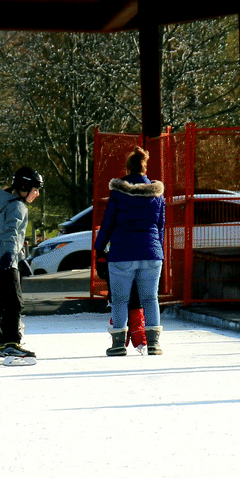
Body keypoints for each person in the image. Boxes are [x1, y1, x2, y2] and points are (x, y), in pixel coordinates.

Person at [94, 145, 166, 357]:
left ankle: (117, 345)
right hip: (151, 252)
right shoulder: (157, 195)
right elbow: (160, 226)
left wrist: (99, 249)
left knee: (120, 299)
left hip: (122, 253)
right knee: (150, 298)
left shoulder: (118, 194)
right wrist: (156, 249)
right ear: (145, 168)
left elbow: (107, 224)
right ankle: (153, 344)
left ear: (127, 168)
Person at [0, 166, 43, 366]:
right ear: (23, 187)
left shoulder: (4, 204)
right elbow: (12, 232)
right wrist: (10, 253)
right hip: (4, 260)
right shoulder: (18, 206)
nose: (37, 194)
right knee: (14, 303)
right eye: (35, 189)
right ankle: (11, 344)